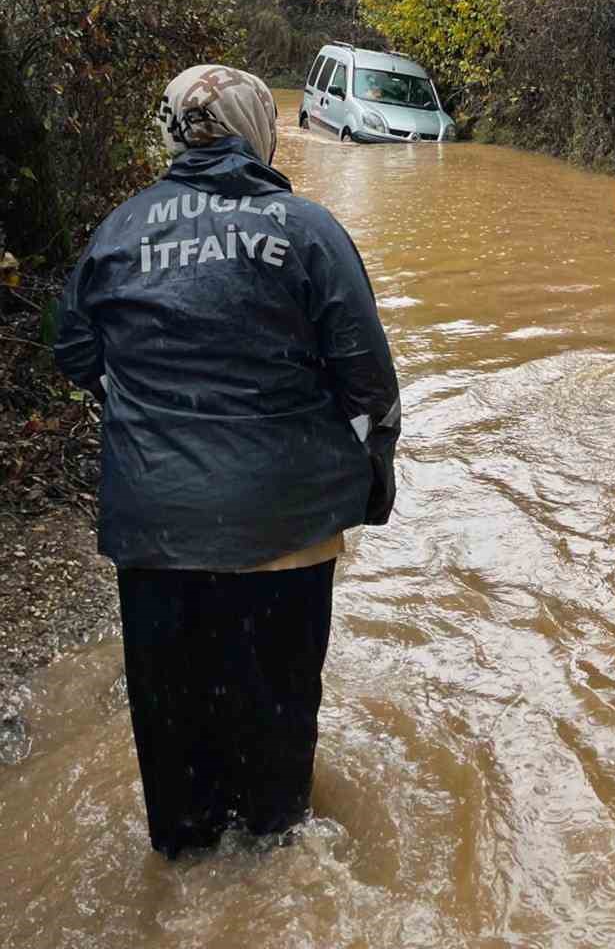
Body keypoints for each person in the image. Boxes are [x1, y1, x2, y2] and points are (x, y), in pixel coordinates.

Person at [54, 63, 401, 859]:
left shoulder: (117, 230)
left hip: (154, 532)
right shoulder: (308, 230)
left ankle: (180, 881)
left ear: (171, 132)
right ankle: (276, 890)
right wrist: (370, 477)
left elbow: (74, 350)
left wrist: (146, 406)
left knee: (177, 776)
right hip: (286, 532)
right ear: (258, 132)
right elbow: (369, 383)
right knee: (277, 773)